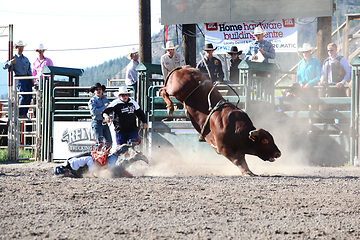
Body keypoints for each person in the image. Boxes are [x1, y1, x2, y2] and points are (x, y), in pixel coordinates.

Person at [52, 142, 148, 178]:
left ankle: (122, 150)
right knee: (115, 171)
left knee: (111, 168)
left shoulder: (72, 164)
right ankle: (134, 157)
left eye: (64, 172)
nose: (65, 174)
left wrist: (92, 172)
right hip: (96, 163)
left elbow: (88, 159)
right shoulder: (70, 170)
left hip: (95, 162)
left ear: (64, 169)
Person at [3, 40, 33, 118]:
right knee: (24, 95)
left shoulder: (26, 59)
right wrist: (11, 62)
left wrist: (32, 81)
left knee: (29, 96)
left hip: (27, 78)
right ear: (16, 48)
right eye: (19, 47)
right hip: (20, 78)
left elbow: (29, 70)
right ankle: (20, 113)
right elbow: (4, 66)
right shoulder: (13, 58)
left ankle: (24, 113)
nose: (20, 48)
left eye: (21, 47)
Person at [88, 82, 113, 147]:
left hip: (104, 122)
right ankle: (99, 156)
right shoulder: (92, 100)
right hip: (97, 122)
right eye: (97, 89)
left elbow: (109, 109)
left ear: (102, 90)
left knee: (109, 142)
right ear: (94, 91)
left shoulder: (105, 99)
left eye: (100, 89)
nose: (98, 91)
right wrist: (104, 107)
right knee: (99, 143)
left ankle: (105, 156)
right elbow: (94, 112)